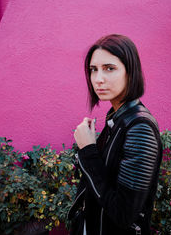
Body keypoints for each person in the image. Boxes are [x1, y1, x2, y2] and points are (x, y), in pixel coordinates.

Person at [68, 34, 162, 235]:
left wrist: (88, 150)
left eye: (109, 68)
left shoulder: (140, 128)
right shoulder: (118, 118)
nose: (98, 79)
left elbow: (123, 214)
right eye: (93, 70)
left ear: (131, 71)